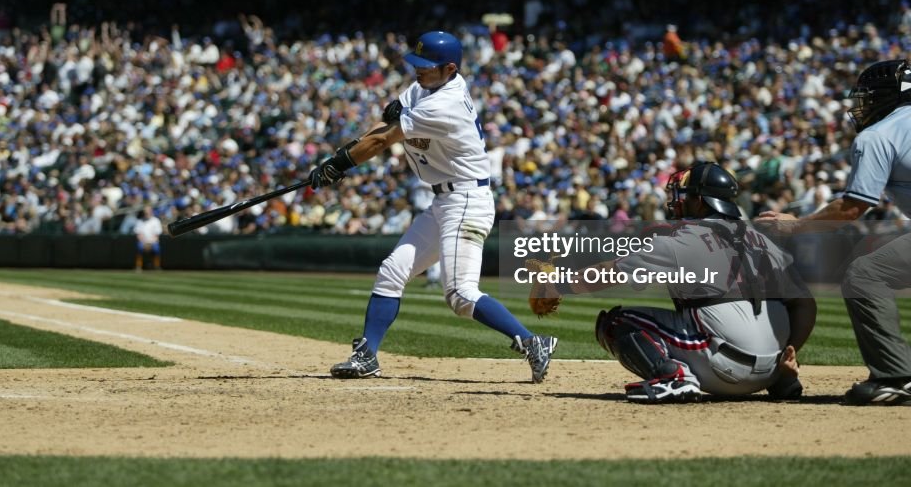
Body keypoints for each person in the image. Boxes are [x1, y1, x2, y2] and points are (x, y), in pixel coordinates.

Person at [311, 31, 557, 382]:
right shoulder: (424, 87)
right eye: (418, 64)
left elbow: (384, 138)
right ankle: (367, 355)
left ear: (450, 68)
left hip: (467, 201)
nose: (419, 71)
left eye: (427, 67)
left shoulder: (446, 104)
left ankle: (534, 342)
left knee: (459, 294)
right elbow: (383, 124)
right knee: (392, 271)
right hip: (444, 199)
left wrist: (340, 163)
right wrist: (342, 155)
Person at [533, 162, 815, 403]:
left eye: (686, 195)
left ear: (701, 201)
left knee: (617, 321)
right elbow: (805, 305)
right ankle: (782, 382)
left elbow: (610, 273)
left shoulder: (685, 239)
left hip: (724, 369)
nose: (678, 200)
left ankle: (674, 378)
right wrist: (790, 352)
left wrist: (557, 285)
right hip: (776, 370)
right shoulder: (762, 240)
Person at [757, 59, 911, 405]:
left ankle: (896, 377)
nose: (863, 105)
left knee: (865, 275)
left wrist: (793, 225)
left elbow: (852, 207)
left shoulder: (878, 134)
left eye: (869, 97)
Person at [134, 206, 163, 272]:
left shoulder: (156, 221)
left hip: (153, 242)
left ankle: (157, 266)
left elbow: (156, 236)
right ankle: (138, 266)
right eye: (145, 212)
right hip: (143, 242)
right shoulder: (139, 221)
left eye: (148, 212)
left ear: (151, 212)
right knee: (139, 247)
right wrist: (145, 243)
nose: (146, 214)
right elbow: (138, 235)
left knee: (157, 249)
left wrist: (150, 243)